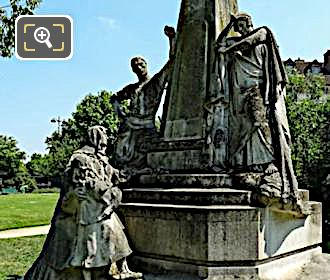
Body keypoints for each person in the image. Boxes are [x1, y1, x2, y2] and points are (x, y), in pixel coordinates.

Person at [24, 126, 142, 280]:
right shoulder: (81, 157)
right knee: (100, 237)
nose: (107, 138)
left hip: (99, 207)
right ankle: (96, 272)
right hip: (84, 209)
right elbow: (76, 181)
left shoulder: (101, 158)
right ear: (97, 137)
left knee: (116, 231)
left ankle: (122, 267)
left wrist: (138, 170)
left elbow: (116, 175)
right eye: (104, 134)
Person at [211, 13, 299, 198]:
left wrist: (229, 50)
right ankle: (248, 164)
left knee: (260, 126)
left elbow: (248, 42)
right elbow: (218, 45)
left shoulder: (262, 34)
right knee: (243, 130)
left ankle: (269, 164)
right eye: (238, 26)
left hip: (257, 89)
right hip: (238, 94)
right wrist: (228, 27)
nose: (240, 28)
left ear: (249, 23)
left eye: (242, 24)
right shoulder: (235, 42)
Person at [111, 26, 176, 173]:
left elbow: (172, 62)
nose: (139, 68)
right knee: (120, 156)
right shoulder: (131, 88)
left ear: (146, 65)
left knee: (149, 152)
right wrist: (120, 113)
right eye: (135, 66)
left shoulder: (155, 82)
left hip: (147, 124)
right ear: (133, 70)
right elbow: (115, 98)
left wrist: (172, 39)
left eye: (141, 64)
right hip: (130, 124)